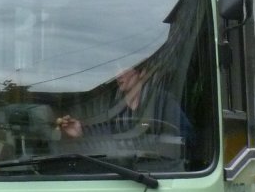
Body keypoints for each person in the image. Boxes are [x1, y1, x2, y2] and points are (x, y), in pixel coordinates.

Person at [56, 65, 191, 156]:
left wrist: (156, 143)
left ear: (142, 72)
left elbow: (186, 137)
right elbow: (107, 135)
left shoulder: (162, 101)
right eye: (115, 70)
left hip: (154, 173)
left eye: (124, 68)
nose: (118, 75)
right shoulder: (116, 106)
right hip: (119, 172)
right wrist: (80, 132)